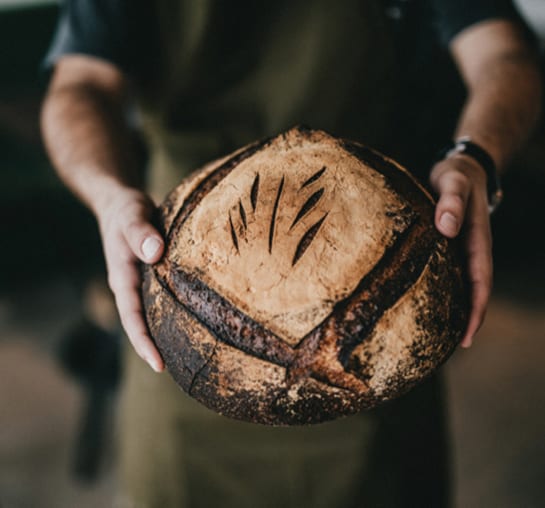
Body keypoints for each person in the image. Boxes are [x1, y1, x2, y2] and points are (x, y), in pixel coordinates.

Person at [41, 1, 541, 507]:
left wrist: (475, 157)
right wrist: (109, 197)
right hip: (183, 314)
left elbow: (504, 57)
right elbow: (78, 86)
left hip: (375, 300)